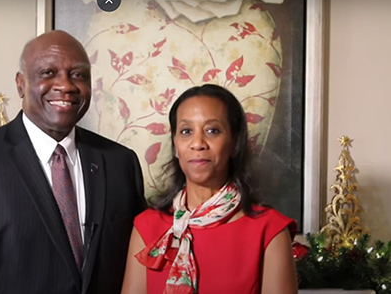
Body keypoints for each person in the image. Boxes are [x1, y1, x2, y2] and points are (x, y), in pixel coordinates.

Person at [0, 30, 147, 294]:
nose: (66, 85)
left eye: (78, 75)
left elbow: (140, 266)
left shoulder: (121, 162)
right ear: (20, 84)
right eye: (48, 73)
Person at [121, 84, 297, 294]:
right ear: (176, 145)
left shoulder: (269, 230)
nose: (197, 143)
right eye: (186, 131)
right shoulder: (147, 226)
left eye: (212, 131)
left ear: (234, 143)